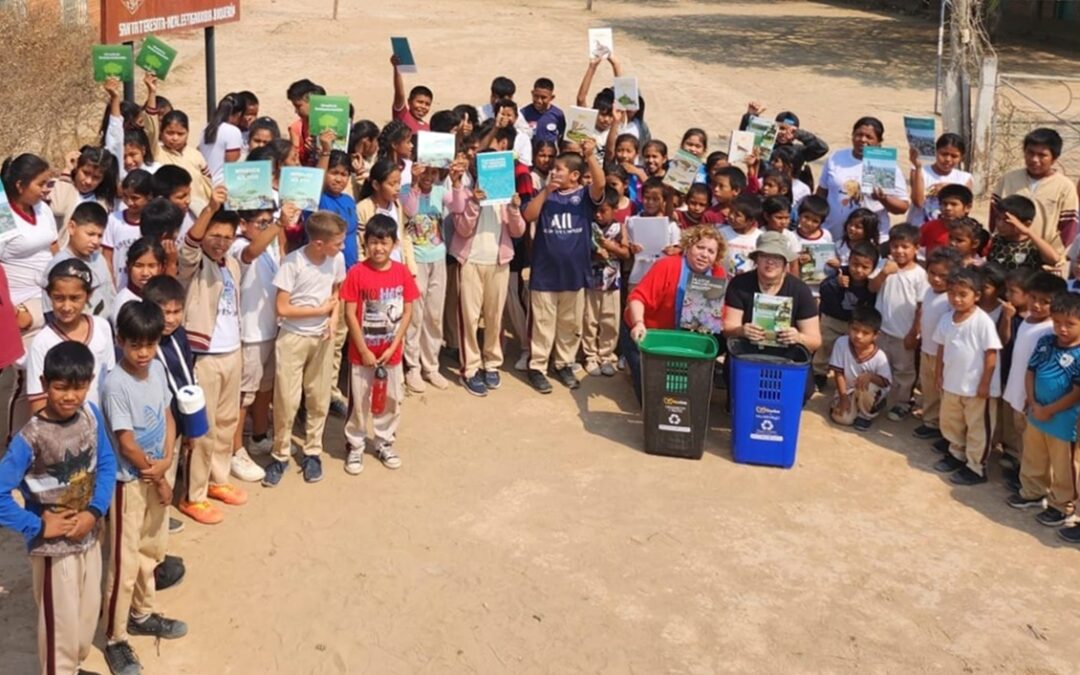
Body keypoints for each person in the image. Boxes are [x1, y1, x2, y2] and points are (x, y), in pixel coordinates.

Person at [0, 342, 116, 675]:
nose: (70, 396)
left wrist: (94, 512)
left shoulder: (91, 415)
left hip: (90, 535)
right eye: (60, 387)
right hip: (54, 550)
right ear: (44, 382)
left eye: (78, 387)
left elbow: (106, 463)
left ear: (90, 382)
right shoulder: (30, 438)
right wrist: (36, 526)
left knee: (83, 623)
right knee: (59, 634)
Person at [101, 301, 187, 675]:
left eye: (150, 345)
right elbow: (127, 443)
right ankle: (115, 637)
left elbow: (168, 414)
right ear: (120, 341)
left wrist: (168, 458)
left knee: (152, 549)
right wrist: (158, 475)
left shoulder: (155, 371)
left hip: (155, 473)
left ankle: (142, 613)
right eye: (135, 345)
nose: (143, 353)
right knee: (124, 562)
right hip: (130, 483)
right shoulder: (115, 383)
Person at [175, 186, 245, 525]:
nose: (220, 241)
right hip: (204, 356)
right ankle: (194, 495)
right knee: (202, 431)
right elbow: (188, 248)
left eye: (227, 236)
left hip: (233, 351)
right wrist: (211, 208)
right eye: (215, 234)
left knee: (226, 423)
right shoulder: (194, 263)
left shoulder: (231, 262)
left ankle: (218, 480)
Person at [264, 211, 346, 487]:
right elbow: (282, 307)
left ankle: (313, 451)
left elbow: (336, 293)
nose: (342, 247)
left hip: (321, 338)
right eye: (337, 243)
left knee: (319, 398)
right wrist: (319, 310)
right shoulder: (292, 263)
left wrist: (332, 320)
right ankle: (281, 454)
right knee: (287, 401)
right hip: (293, 338)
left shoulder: (336, 260)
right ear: (319, 243)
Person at [521, 139, 606, 394]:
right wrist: (546, 192)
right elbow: (528, 216)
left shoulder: (583, 197)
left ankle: (564, 363)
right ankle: (537, 366)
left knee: (569, 323)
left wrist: (591, 156)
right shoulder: (547, 195)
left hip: (574, 274)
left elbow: (600, 184)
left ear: (575, 175)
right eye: (553, 169)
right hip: (545, 273)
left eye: (559, 169)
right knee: (543, 322)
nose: (554, 172)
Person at [340, 214, 419, 475]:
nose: (379, 248)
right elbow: (350, 313)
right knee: (360, 399)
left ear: (394, 244)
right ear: (365, 242)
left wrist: (394, 345)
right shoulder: (356, 273)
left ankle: (384, 441)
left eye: (384, 243)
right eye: (373, 242)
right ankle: (356, 443)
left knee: (391, 398)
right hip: (361, 354)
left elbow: (407, 312)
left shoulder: (402, 273)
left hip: (391, 353)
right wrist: (362, 349)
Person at [624, 225, 727, 403]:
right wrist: (638, 323)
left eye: (711, 251)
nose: (704, 254)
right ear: (687, 247)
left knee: (685, 399)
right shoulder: (667, 265)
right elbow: (637, 297)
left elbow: (719, 315)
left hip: (689, 338)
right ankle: (632, 362)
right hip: (650, 331)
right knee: (652, 400)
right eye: (700, 247)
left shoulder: (718, 274)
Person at [450, 157, 526, 397]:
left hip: (498, 263)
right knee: (469, 318)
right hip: (471, 263)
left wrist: (514, 208)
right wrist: (473, 202)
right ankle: (470, 368)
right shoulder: (464, 195)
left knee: (494, 316)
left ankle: (491, 363)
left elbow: (518, 231)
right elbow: (462, 229)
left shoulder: (506, 200)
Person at [1008, 292, 1080, 534]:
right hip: (1037, 412)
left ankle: (1062, 504)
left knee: (1063, 464)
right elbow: (1031, 371)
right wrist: (1032, 400)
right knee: (1034, 455)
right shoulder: (1046, 342)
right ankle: (1032, 491)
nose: (1062, 328)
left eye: (1070, 324)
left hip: (1063, 420)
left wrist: (1049, 410)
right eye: (1057, 322)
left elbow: (1076, 392)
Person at [722, 230, 823, 401]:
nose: (770, 262)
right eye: (764, 256)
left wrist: (797, 337)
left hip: (786, 355)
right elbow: (727, 328)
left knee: (804, 391)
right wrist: (742, 331)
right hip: (748, 352)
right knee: (737, 384)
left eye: (777, 257)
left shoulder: (800, 290)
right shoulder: (739, 284)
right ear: (756, 260)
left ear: (785, 263)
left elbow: (815, 341)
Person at [228, 205, 288, 483]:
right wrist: (278, 224)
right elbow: (250, 254)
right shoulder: (238, 246)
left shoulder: (269, 250)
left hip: (269, 330)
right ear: (243, 224)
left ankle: (260, 436)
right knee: (244, 396)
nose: (266, 228)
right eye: (261, 223)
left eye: (268, 222)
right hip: (248, 335)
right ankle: (235, 449)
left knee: (265, 389)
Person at [932, 268, 1003, 485]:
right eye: (953, 293)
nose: (957, 299)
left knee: (977, 428)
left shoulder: (983, 322)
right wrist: (939, 374)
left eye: (963, 294)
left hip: (976, 389)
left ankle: (975, 467)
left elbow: (991, 354)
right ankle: (956, 454)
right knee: (951, 422)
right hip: (952, 383)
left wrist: (985, 384)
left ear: (977, 296)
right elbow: (942, 348)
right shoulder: (946, 319)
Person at [401, 160, 463, 392]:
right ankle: (413, 367)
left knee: (434, 315)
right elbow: (410, 211)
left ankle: (431, 366)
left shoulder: (440, 191)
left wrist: (456, 182)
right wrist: (415, 184)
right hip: (416, 261)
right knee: (415, 316)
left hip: (438, 259)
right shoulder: (407, 190)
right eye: (424, 171)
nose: (429, 176)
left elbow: (458, 207)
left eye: (433, 172)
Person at [1001, 272, 1065, 492]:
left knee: (1034, 444)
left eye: (1045, 302)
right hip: (1017, 390)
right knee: (1021, 436)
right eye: (1034, 298)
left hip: (1032, 398)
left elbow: (1044, 369)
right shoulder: (1026, 320)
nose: (1037, 305)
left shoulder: (1049, 330)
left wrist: (1034, 397)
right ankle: (1023, 471)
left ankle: (1037, 485)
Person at [26, 261, 115, 419]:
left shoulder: (102, 327)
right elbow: (38, 401)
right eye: (59, 298)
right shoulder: (42, 342)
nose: (66, 307)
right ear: (49, 296)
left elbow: (110, 380)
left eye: (75, 298)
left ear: (89, 295)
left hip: (101, 427)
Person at [142, 274, 196, 536]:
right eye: (165, 312)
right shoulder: (144, 345)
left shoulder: (181, 336)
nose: (172, 319)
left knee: (170, 471)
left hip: (178, 420)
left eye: (177, 311)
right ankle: (151, 528)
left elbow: (188, 378)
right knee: (153, 478)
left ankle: (160, 523)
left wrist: (192, 427)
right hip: (154, 425)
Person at [817, 116, 909, 241]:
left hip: (870, 241)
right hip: (833, 234)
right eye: (858, 135)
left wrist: (884, 199)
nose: (862, 140)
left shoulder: (886, 167)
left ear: (879, 141)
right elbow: (822, 192)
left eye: (869, 137)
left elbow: (902, 207)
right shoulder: (836, 158)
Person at [870, 224, 928, 420]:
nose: (899, 251)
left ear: (916, 248)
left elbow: (921, 307)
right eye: (895, 246)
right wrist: (885, 272)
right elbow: (872, 287)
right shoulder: (884, 265)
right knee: (880, 366)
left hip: (904, 334)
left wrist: (914, 333)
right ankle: (878, 398)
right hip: (881, 331)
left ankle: (902, 403)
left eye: (905, 246)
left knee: (904, 371)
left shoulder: (920, 275)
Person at [993, 128, 1078, 257]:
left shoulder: (1065, 187)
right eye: (1030, 153)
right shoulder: (1008, 179)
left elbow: (1068, 228)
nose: (1034, 159)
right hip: (1005, 255)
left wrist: (1054, 256)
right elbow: (994, 215)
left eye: (1042, 155)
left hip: (1042, 260)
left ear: (1054, 158)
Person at [813, 240, 879, 391]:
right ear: (848, 261)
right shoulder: (840, 273)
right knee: (825, 346)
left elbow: (873, 300)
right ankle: (819, 374)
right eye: (855, 264)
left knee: (853, 349)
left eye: (865, 267)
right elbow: (823, 289)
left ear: (873, 268)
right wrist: (835, 282)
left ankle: (850, 379)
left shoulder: (871, 283)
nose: (858, 270)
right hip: (832, 319)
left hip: (855, 324)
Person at [912, 248, 963, 441]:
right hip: (926, 349)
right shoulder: (928, 292)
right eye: (932, 273)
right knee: (929, 388)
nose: (936, 279)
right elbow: (922, 315)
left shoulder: (951, 299)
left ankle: (947, 430)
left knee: (945, 393)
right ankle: (931, 421)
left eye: (943, 276)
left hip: (944, 355)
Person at [583, 187, 630, 376]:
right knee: (589, 320)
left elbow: (626, 253)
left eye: (603, 211)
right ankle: (590, 356)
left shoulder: (620, 227)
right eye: (596, 210)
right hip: (591, 281)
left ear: (614, 209)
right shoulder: (588, 226)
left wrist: (612, 247)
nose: (599, 215)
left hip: (612, 282)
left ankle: (607, 355)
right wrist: (595, 252)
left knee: (610, 319)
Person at [43, 202, 115, 319]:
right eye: (90, 234)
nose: (96, 241)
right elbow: (51, 312)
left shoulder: (99, 258)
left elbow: (111, 296)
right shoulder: (58, 267)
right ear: (72, 227)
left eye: (99, 236)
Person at [828, 306, 892, 431]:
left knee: (867, 385)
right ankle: (850, 405)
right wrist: (843, 397)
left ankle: (866, 414)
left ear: (875, 335)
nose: (858, 336)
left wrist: (871, 377)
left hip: (869, 392)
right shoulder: (841, 343)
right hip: (849, 391)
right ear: (849, 327)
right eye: (855, 329)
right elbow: (838, 373)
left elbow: (885, 382)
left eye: (865, 333)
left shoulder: (880, 356)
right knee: (843, 419)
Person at [907, 132, 973, 226]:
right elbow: (918, 202)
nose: (948, 159)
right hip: (918, 229)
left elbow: (965, 210)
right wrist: (917, 167)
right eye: (944, 154)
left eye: (954, 156)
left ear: (961, 157)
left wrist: (949, 189)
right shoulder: (920, 171)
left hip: (947, 232)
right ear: (936, 152)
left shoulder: (965, 178)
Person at [103, 169, 154, 289]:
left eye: (135, 198)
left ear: (149, 196)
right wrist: (111, 285)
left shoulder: (153, 222)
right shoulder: (114, 219)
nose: (129, 202)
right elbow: (107, 256)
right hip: (119, 287)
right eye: (125, 197)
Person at [987, 195, 1062, 272]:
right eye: (998, 218)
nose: (1000, 224)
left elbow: (1055, 259)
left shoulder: (1033, 246)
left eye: (1007, 221)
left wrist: (1028, 232)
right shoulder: (996, 240)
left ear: (1026, 224)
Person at [155, 110, 212, 208]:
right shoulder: (156, 152)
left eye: (180, 134)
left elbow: (207, 184)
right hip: (169, 210)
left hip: (197, 210)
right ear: (161, 132)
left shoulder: (196, 155)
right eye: (170, 133)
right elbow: (150, 128)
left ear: (188, 133)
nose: (175, 138)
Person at [112, 237, 165, 327]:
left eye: (152, 266)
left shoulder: (165, 296)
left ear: (161, 268)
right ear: (128, 267)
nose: (145, 273)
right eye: (138, 266)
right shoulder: (123, 303)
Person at [197, 94, 244, 184]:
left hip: (205, 183)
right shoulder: (233, 131)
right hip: (221, 185)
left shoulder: (206, 127)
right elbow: (231, 164)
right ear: (239, 114)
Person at [920, 184, 973, 257]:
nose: (948, 208)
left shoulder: (972, 231)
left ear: (967, 207)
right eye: (944, 204)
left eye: (954, 204)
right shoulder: (929, 227)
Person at [718, 193, 763, 276]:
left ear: (751, 220)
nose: (731, 216)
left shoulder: (760, 238)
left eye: (737, 215)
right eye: (731, 211)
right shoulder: (720, 233)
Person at [390, 54, 432, 133]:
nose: (423, 106)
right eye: (420, 102)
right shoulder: (402, 115)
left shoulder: (428, 128)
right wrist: (396, 68)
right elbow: (400, 94)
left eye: (427, 104)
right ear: (409, 101)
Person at [522, 77, 566, 144]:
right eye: (536, 96)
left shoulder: (558, 115)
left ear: (552, 97)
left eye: (543, 97)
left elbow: (561, 135)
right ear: (532, 93)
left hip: (549, 153)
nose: (539, 101)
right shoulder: (524, 113)